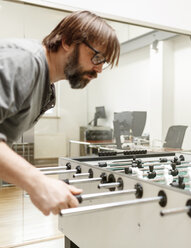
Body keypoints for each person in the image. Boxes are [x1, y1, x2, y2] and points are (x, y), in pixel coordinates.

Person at [0, 10, 120, 215]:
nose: (99, 70)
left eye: (103, 62)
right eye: (96, 57)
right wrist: (36, 182)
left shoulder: (47, 89)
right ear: (67, 41)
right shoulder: (24, 61)